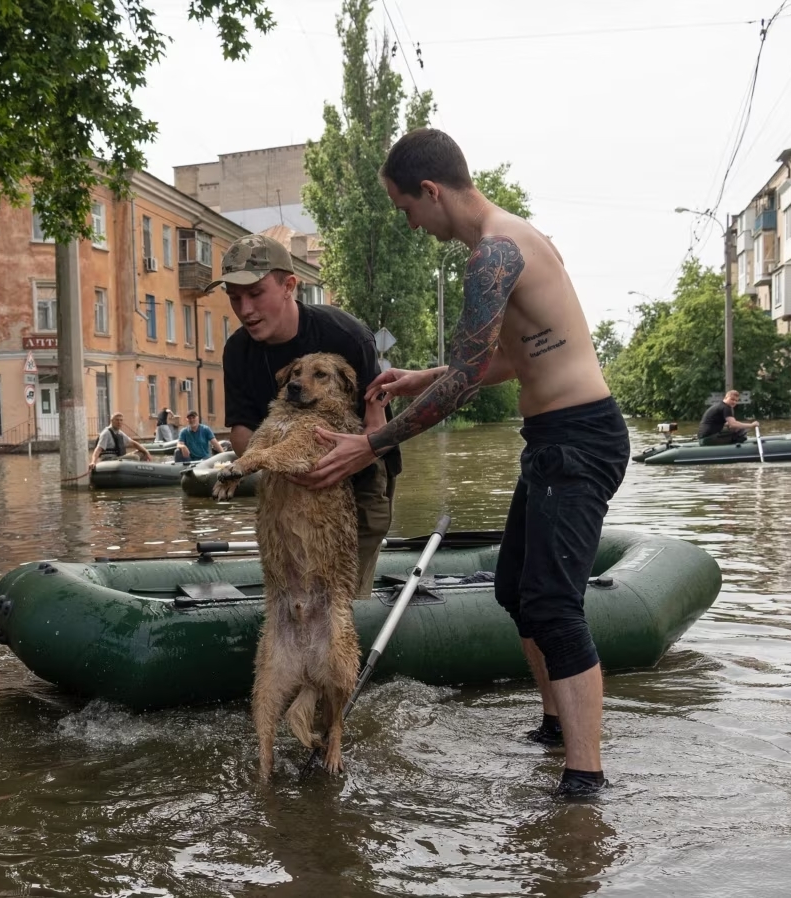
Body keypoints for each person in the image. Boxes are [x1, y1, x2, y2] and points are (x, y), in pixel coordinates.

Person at [301, 128, 630, 799]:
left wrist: (371, 442)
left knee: (552, 605)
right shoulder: (519, 239)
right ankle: (551, 727)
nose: (410, 224)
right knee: (514, 589)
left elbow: (464, 385)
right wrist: (423, 375)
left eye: (404, 209)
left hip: (579, 439)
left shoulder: (492, 257)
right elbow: (516, 358)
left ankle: (585, 779)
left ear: (429, 191)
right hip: (554, 440)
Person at [211, 233, 399, 605]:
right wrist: (285, 463)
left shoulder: (344, 334)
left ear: (289, 286)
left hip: (359, 479)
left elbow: (380, 427)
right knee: (293, 598)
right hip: (286, 481)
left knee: (340, 605)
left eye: (256, 293)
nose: (245, 309)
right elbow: (242, 430)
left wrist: (347, 458)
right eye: (234, 298)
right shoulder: (237, 350)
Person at [88, 413, 153, 470]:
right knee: (134, 457)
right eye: (117, 420)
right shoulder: (106, 433)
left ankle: (142, 472)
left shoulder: (119, 433)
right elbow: (98, 449)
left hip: (118, 457)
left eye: (121, 420)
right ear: (111, 421)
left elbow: (133, 443)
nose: (119, 422)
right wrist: (93, 462)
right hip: (109, 459)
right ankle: (135, 472)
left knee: (141, 453)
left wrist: (146, 452)